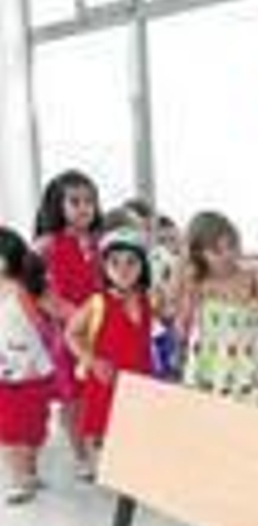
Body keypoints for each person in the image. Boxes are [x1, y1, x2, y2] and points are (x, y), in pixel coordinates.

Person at [33, 169, 103, 474]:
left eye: (89, 200)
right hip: (66, 333)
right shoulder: (46, 245)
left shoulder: (100, 242)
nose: (84, 208)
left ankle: (97, 445)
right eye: (75, 201)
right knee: (72, 395)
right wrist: (74, 315)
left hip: (100, 327)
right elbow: (39, 292)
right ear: (57, 205)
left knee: (96, 389)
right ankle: (81, 456)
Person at [64, 227, 153, 461]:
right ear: (104, 267)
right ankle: (115, 476)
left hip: (139, 376)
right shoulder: (97, 302)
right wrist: (92, 361)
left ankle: (128, 475)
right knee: (106, 433)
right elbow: (71, 334)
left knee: (136, 431)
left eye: (131, 262)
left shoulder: (148, 299)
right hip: (107, 378)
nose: (123, 270)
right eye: (115, 263)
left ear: (143, 266)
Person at [177, 211, 258, 406]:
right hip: (207, 367)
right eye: (216, 251)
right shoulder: (198, 283)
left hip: (242, 366)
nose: (227, 255)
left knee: (254, 409)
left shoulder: (248, 279)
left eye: (231, 246)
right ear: (199, 254)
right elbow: (182, 326)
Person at [0, 229, 55, 503]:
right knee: (9, 428)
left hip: (33, 369)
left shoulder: (18, 290)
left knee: (35, 425)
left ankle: (29, 470)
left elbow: (40, 324)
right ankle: (17, 478)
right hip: (5, 375)